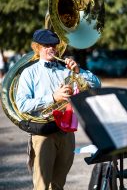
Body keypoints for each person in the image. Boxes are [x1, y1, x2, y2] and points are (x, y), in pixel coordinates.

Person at [15, 29, 101, 190]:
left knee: (58, 185)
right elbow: (22, 105)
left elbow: (97, 84)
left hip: (66, 133)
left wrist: (78, 71)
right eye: (46, 45)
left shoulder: (65, 69)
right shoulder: (29, 73)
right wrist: (53, 98)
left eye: (54, 45)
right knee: (42, 185)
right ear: (37, 47)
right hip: (43, 134)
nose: (52, 49)